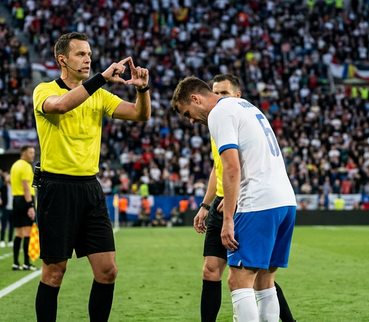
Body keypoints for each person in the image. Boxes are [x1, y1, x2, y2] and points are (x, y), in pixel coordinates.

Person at [33, 32, 150, 322]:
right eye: (80, 55)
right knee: (54, 272)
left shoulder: (98, 94)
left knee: (108, 271)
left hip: (90, 188)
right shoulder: (44, 90)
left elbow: (139, 115)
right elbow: (60, 106)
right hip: (56, 187)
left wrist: (143, 90)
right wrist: (100, 78)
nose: (87, 59)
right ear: (62, 59)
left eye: (89, 54)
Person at [172, 76, 297, 322]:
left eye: (188, 112)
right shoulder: (246, 106)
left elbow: (230, 169)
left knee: (238, 282)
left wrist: (227, 220)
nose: (190, 120)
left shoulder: (219, 113)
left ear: (196, 99)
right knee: (265, 282)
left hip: (257, 203)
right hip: (284, 201)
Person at [10, 146, 37, 271]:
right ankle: (26, 263)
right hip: (25, 200)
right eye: (31, 153)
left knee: (18, 233)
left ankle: (16, 263)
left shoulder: (14, 165)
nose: (33, 155)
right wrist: (30, 206)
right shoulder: (26, 166)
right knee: (27, 233)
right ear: (24, 153)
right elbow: (26, 186)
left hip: (16, 199)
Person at [0, 172, 14, 248]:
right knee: (3, 225)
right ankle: (2, 240)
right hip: (5, 208)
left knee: (12, 226)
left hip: (13, 208)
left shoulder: (15, 187)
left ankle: (10, 240)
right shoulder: (3, 187)